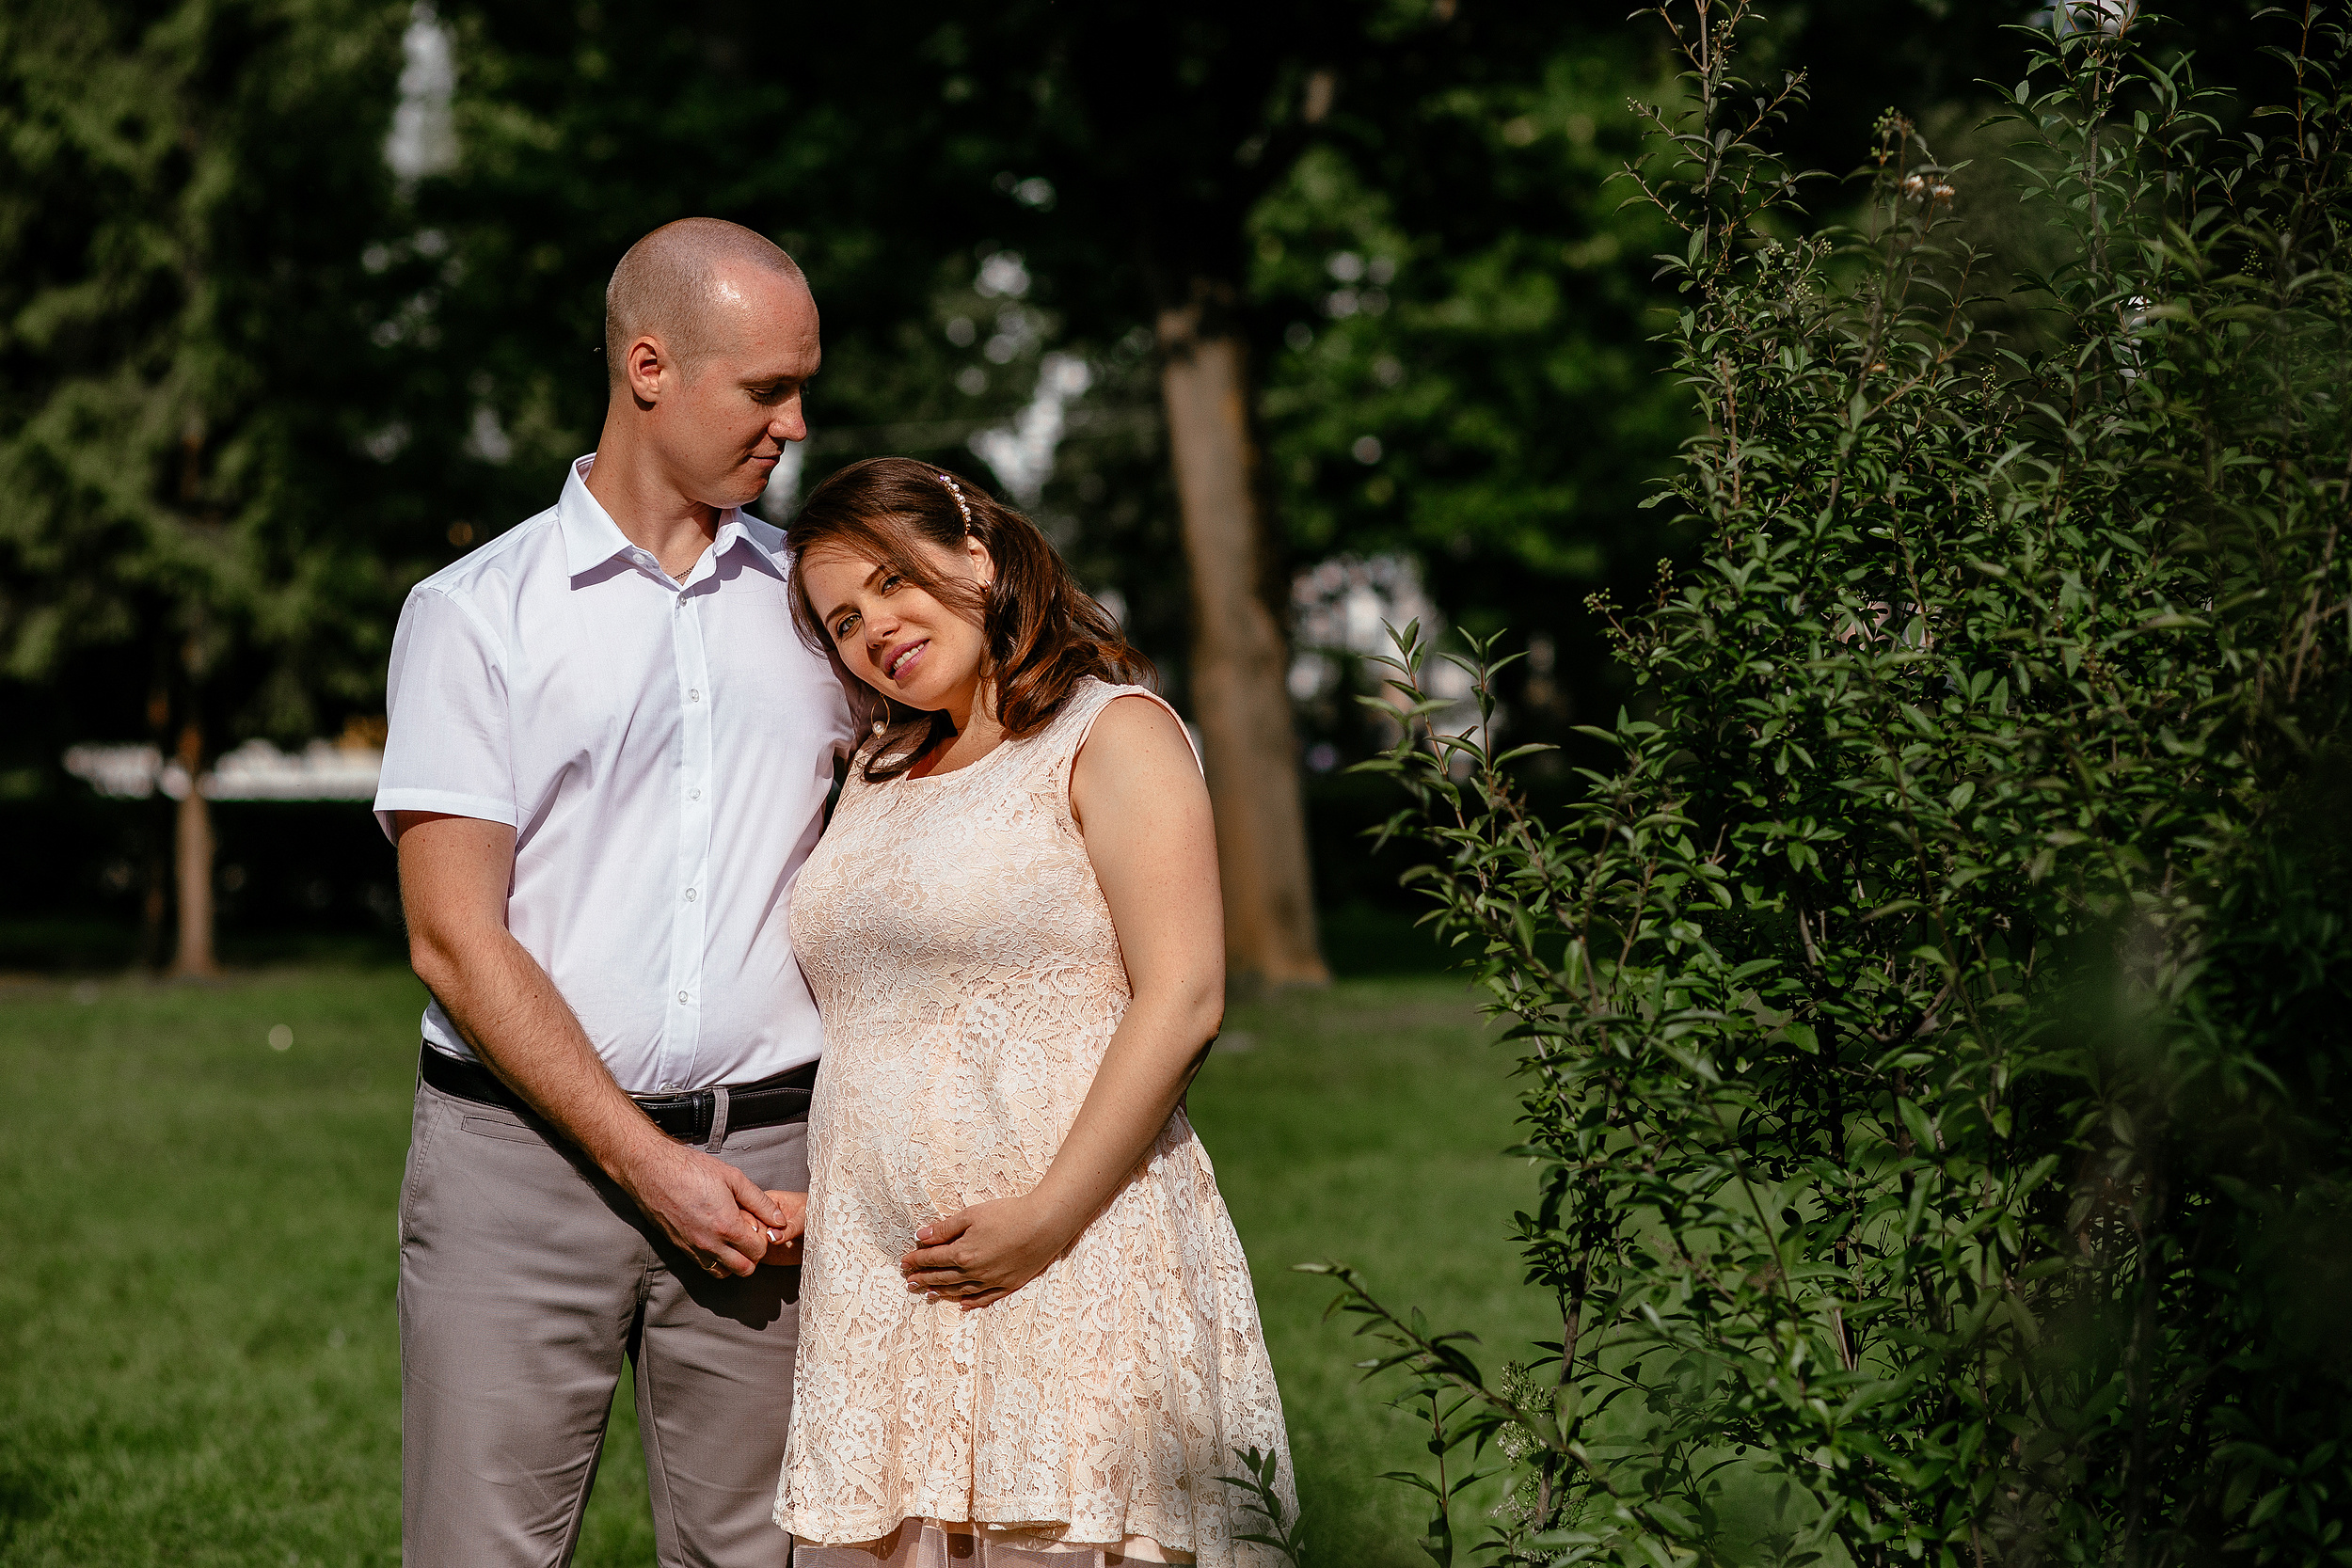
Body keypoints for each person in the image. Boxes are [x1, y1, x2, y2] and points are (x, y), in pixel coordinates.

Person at [374, 217, 854, 1567]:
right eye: (768, 388)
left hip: (776, 1173)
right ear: (651, 366)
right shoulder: (478, 613)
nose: (798, 423)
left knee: (768, 1556)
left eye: (803, 385)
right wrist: (650, 1166)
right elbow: (452, 938)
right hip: (517, 1171)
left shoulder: (820, 609)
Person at [773, 458, 1295, 1568]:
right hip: (884, 1292)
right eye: (844, 618)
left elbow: (1186, 994)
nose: (876, 628)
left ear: (976, 549)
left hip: (1074, 1257)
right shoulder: (875, 766)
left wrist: (1049, 1213)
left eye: (892, 580)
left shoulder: (1112, 732)